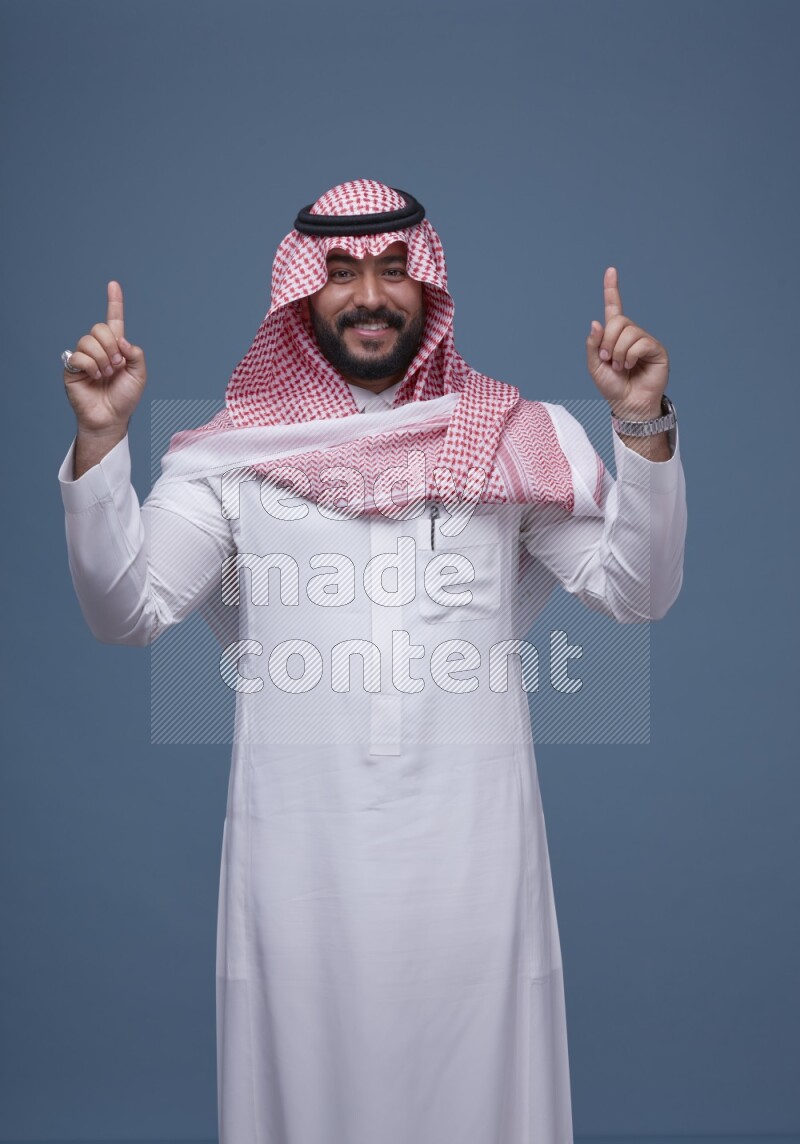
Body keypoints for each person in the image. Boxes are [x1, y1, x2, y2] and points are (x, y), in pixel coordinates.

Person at [58, 179, 686, 1143]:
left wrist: (642, 428)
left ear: (429, 288)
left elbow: (638, 592)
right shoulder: (232, 458)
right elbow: (125, 610)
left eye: (396, 270)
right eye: (341, 272)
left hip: (474, 866)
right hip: (299, 866)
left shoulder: (518, 438)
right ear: (301, 294)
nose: (370, 295)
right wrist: (102, 445)